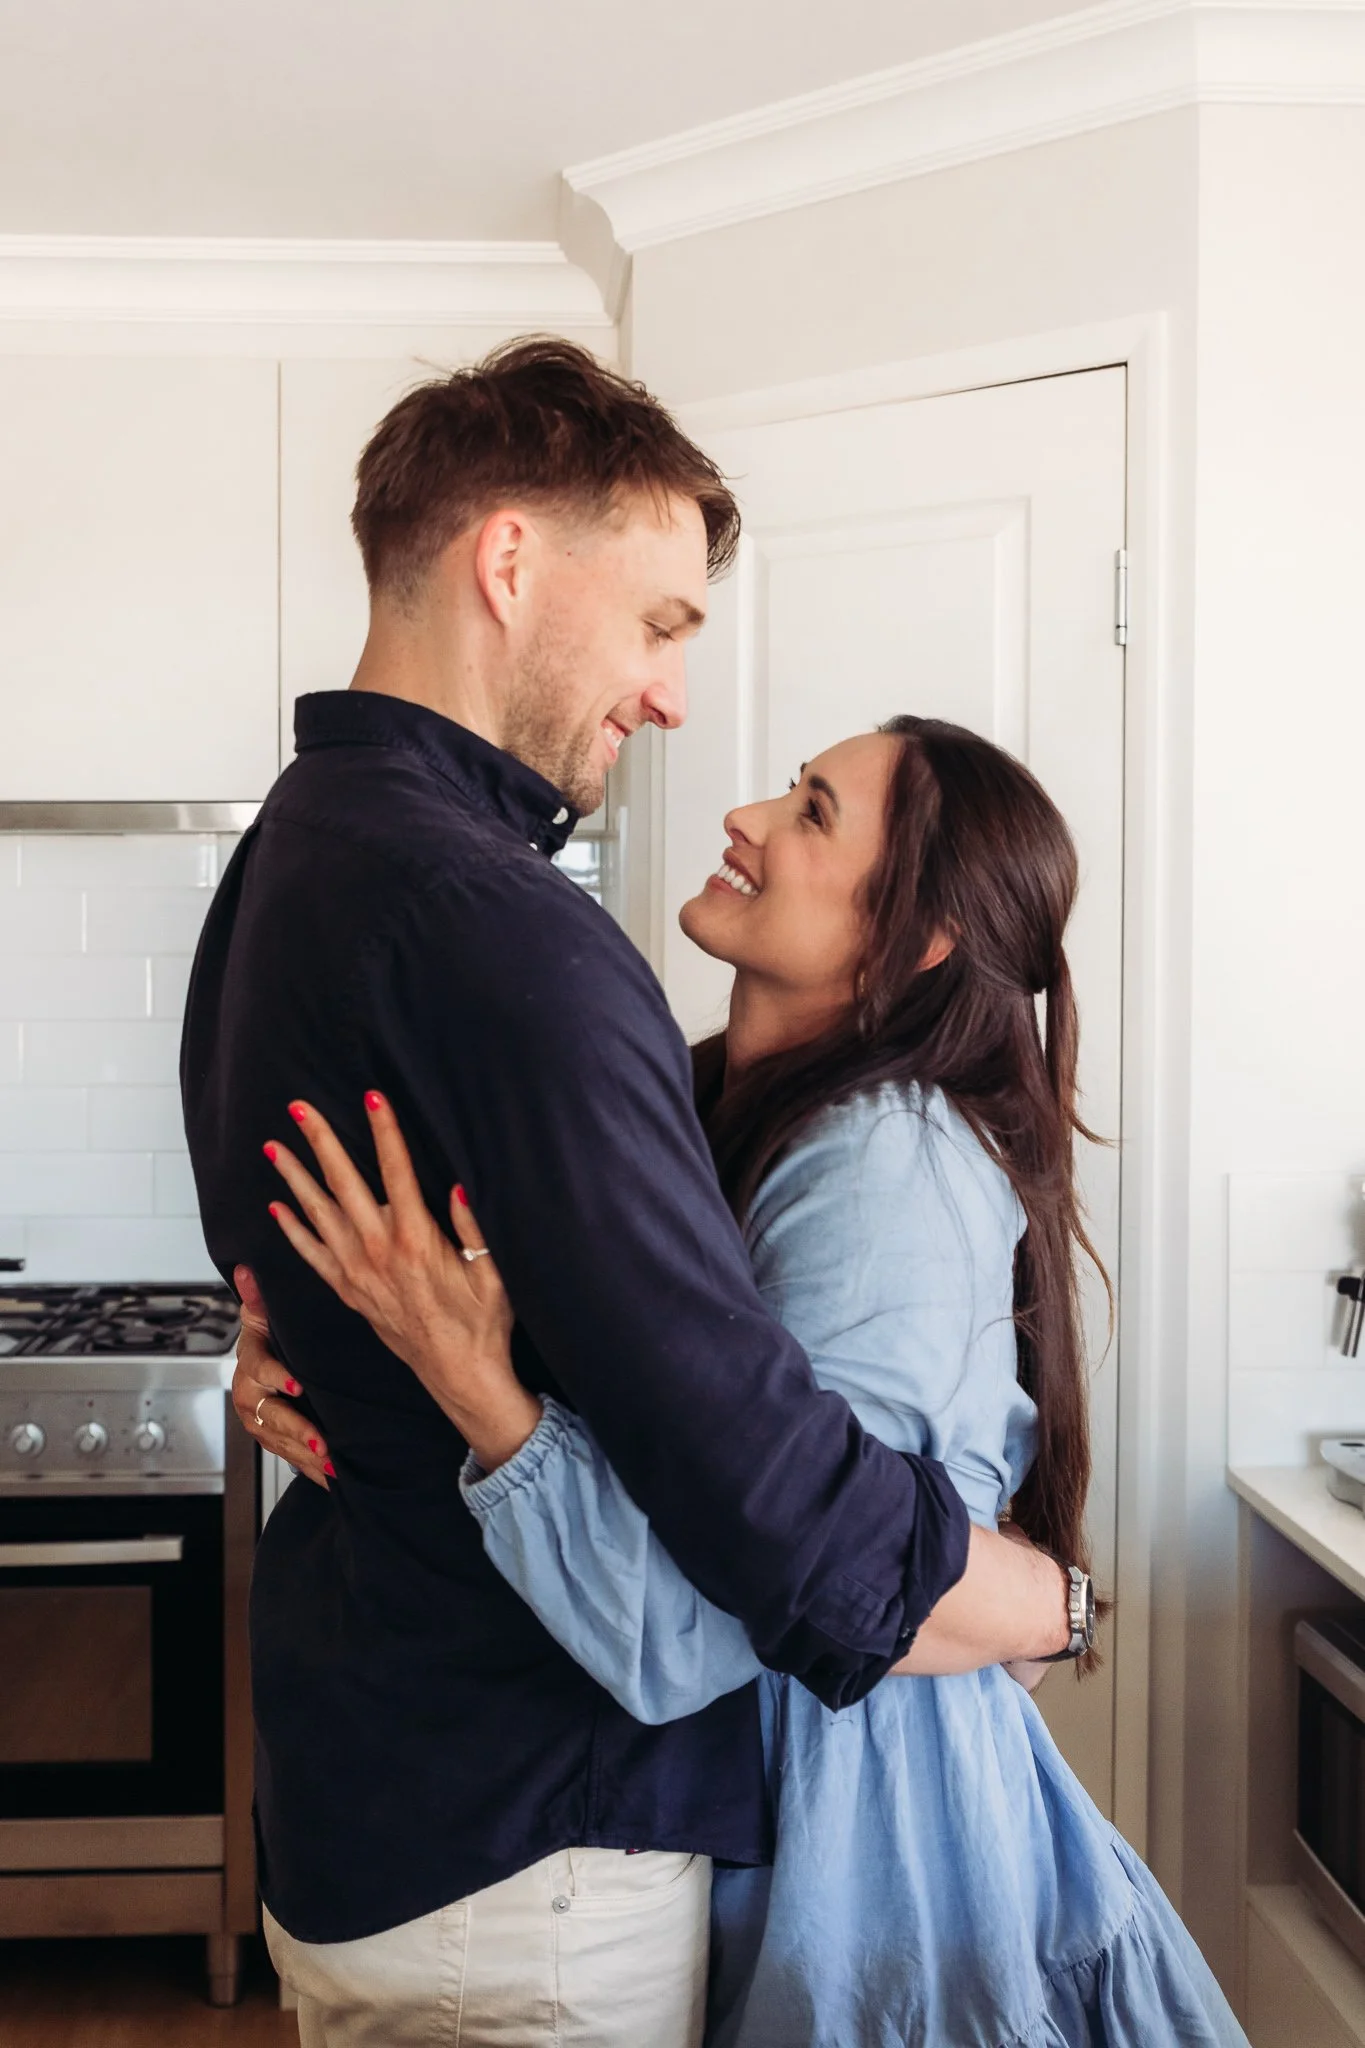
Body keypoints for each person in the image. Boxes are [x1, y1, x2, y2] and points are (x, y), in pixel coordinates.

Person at [184, 339, 1074, 2048]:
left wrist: (336, 1373)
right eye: (662, 622)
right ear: (509, 565)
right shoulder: (504, 927)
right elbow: (757, 1477)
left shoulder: (287, 854)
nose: (677, 697)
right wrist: (1058, 1599)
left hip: (377, 1803)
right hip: (525, 1863)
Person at [239, 716, 1249, 2048]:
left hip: (866, 1853)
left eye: (814, 810)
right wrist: (338, 1355)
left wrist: (473, 1382)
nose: (751, 816)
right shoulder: (710, 1108)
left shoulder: (880, 1166)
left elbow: (710, 1617)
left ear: (924, 937)